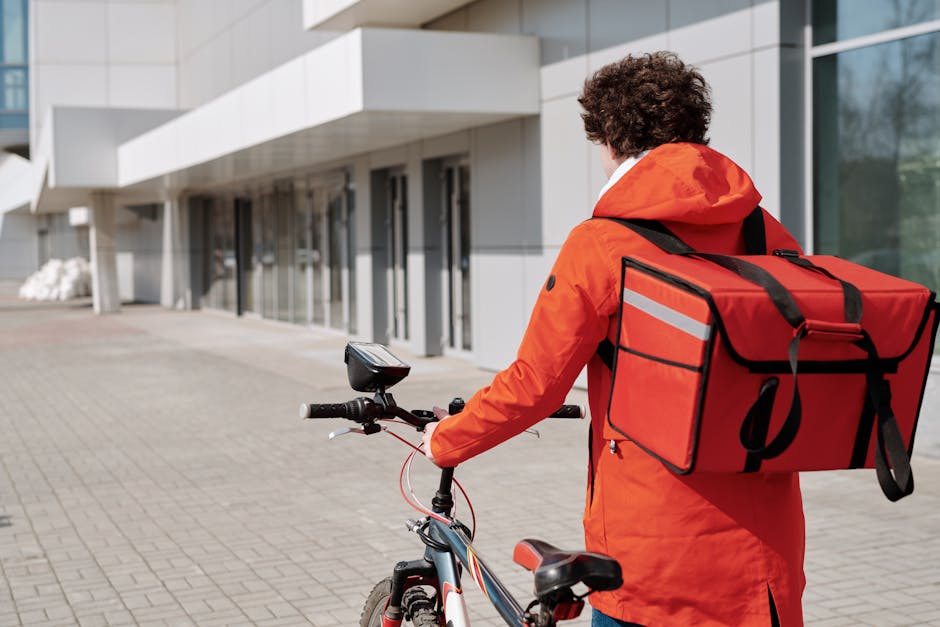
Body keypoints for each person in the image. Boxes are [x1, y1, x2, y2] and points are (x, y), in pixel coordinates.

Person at [422, 52, 805, 627]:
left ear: (609, 139)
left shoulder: (602, 243)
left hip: (650, 565)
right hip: (764, 568)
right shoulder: (768, 233)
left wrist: (444, 441)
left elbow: (536, 385)